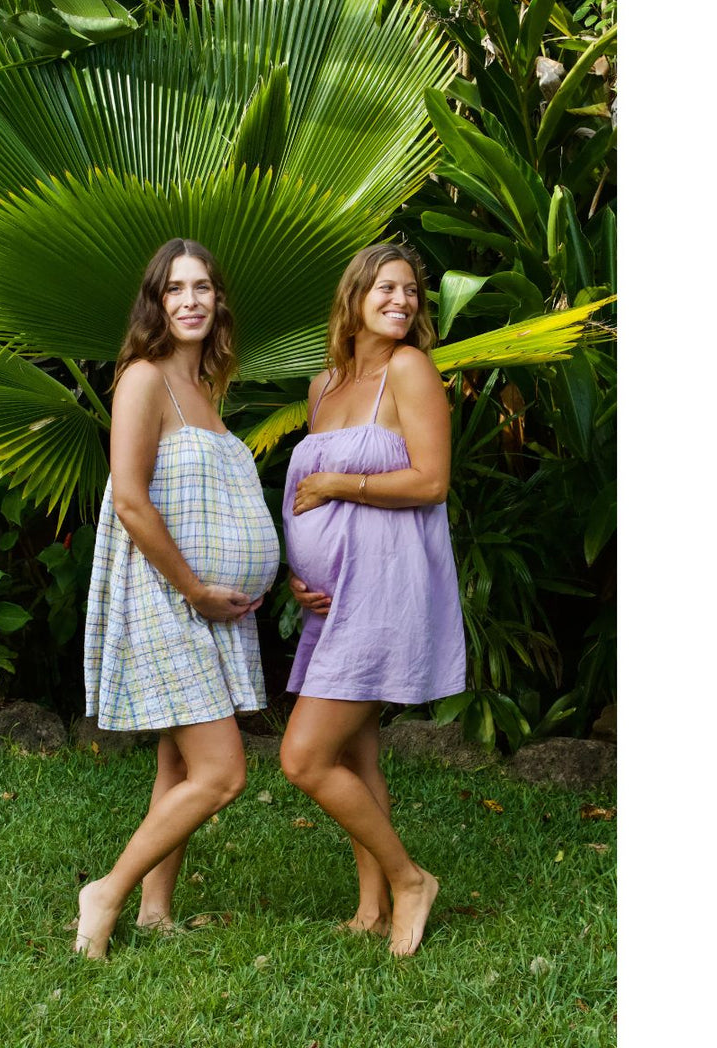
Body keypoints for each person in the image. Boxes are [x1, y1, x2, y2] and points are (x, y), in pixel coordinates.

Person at [72, 238, 280, 958]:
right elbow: (130, 501)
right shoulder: (144, 379)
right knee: (222, 773)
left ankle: (156, 910)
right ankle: (107, 891)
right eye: (175, 289)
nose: (191, 300)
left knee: (180, 764)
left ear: (219, 300)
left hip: (210, 608)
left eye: (203, 287)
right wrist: (194, 589)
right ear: (157, 303)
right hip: (165, 596)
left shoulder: (206, 389)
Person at [278, 242, 466, 957]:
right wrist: (301, 566)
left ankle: (409, 879)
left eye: (412, 291)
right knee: (356, 758)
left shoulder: (409, 369)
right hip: (329, 600)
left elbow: (430, 482)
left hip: (385, 592)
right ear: (355, 296)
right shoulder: (323, 385)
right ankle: (371, 908)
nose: (404, 300)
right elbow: (308, 495)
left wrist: (336, 489)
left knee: (303, 758)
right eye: (388, 287)